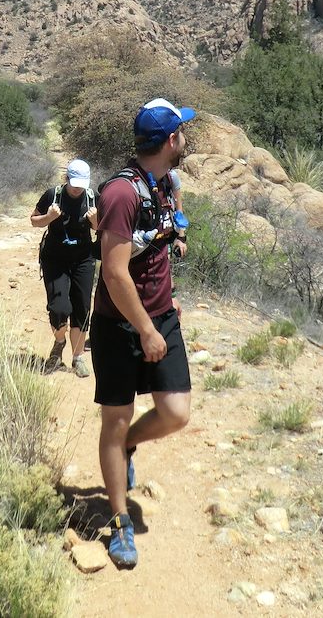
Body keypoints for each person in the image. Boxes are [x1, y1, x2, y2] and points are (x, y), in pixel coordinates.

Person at [90, 98, 196, 568]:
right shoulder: (120, 193)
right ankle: (118, 522)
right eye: (183, 132)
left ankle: (130, 444)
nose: (186, 138)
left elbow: (162, 233)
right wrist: (147, 330)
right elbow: (114, 274)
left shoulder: (167, 182)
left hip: (160, 315)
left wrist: (176, 239)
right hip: (120, 326)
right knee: (114, 420)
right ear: (171, 140)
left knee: (175, 413)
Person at [30, 159, 99, 377]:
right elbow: (34, 220)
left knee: (82, 307)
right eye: (74, 182)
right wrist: (49, 217)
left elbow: (102, 230)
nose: (77, 188)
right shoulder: (52, 195)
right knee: (59, 307)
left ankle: (77, 357)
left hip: (83, 259)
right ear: (66, 178)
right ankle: (59, 343)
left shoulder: (92, 199)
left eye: (81, 184)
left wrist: (96, 222)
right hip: (55, 259)